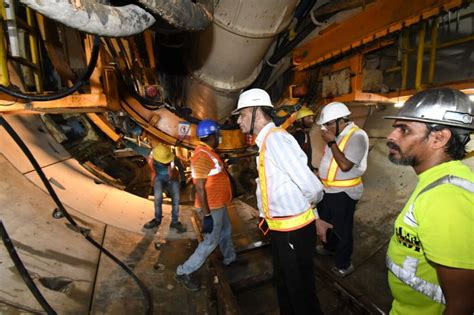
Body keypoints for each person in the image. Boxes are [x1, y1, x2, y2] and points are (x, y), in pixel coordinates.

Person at [233, 88, 331, 315]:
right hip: (281, 232)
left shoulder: (276, 140)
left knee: (301, 292)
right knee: (285, 286)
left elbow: (311, 187)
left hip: (293, 232)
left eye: (242, 115)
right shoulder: (267, 142)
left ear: (256, 112)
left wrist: (312, 217)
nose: (238, 121)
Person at [384, 87, 474, 315]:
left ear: (438, 138)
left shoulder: (447, 198)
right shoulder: (435, 181)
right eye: (395, 128)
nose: (391, 137)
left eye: (404, 130)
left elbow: (462, 305)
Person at [175, 119, 236, 291]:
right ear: (211, 136)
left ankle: (229, 258)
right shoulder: (201, 156)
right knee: (210, 242)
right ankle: (183, 271)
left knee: (226, 231)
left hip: (220, 204)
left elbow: (214, 174)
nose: (220, 138)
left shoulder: (209, 152)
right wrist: (207, 215)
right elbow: (200, 187)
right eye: (218, 135)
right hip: (212, 208)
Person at [315, 101, 369, 278]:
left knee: (342, 228)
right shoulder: (337, 136)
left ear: (341, 121)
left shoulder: (357, 136)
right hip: (328, 191)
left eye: (328, 124)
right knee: (326, 222)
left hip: (344, 194)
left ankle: (343, 264)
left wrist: (331, 143)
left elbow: (345, 165)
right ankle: (330, 248)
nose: (325, 129)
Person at [143, 143, 186, 233]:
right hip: (159, 177)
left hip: (173, 177)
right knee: (158, 198)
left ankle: (175, 222)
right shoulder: (151, 156)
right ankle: (157, 219)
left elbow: (181, 168)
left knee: (176, 199)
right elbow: (136, 147)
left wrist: (183, 180)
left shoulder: (173, 157)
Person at [291, 106, 316, 171]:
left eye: (312, 118)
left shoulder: (304, 133)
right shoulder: (299, 134)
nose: (311, 120)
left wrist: (311, 167)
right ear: (299, 120)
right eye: (308, 118)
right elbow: (298, 156)